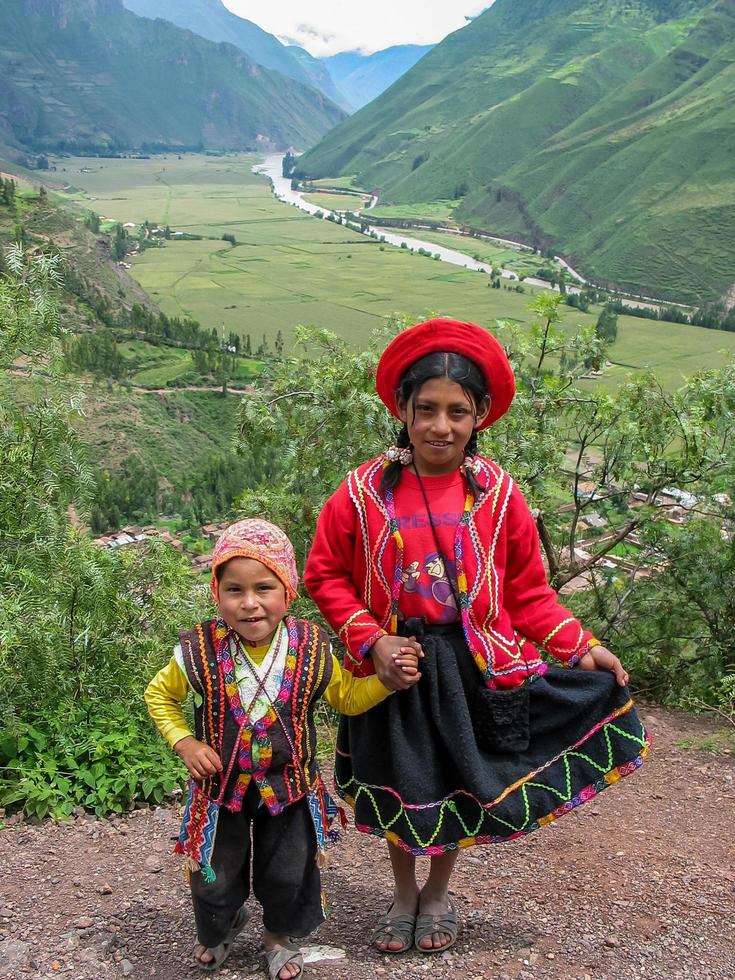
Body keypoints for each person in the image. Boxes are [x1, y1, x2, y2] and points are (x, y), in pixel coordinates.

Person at [304, 317, 649, 956]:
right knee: (400, 782)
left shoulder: (497, 497)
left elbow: (527, 592)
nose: (441, 426)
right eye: (426, 408)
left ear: (481, 415)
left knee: (454, 780)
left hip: (469, 665)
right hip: (391, 668)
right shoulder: (360, 494)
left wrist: (580, 647)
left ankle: (437, 893)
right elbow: (324, 574)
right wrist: (371, 642)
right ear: (401, 409)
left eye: (457, 412)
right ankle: (402, 893)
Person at [145, 518, 420, 979]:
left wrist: (386, 683)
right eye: (234, 590)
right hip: (219, 789)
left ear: (287, 591)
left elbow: (345, 696)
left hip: (290, 787)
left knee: (289, 870)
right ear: (217, 594)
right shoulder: (199, 650)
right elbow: (160, 695)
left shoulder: (310, 646)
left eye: (264, 588)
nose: (249, 603)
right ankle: (224, 923)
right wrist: (186, 741)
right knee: (214, 871)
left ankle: (278, 936)